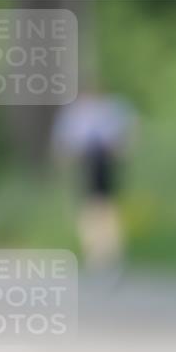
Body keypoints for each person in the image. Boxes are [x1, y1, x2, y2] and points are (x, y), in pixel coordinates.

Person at [51, 87, 136, 268]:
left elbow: (124, 134)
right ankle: (97, 250)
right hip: (85, 161)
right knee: (92, 207)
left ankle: (108, 250)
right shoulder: (77, 113)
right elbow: (64, 142)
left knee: (103, 205)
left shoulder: (107, 108)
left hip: (102, 160)